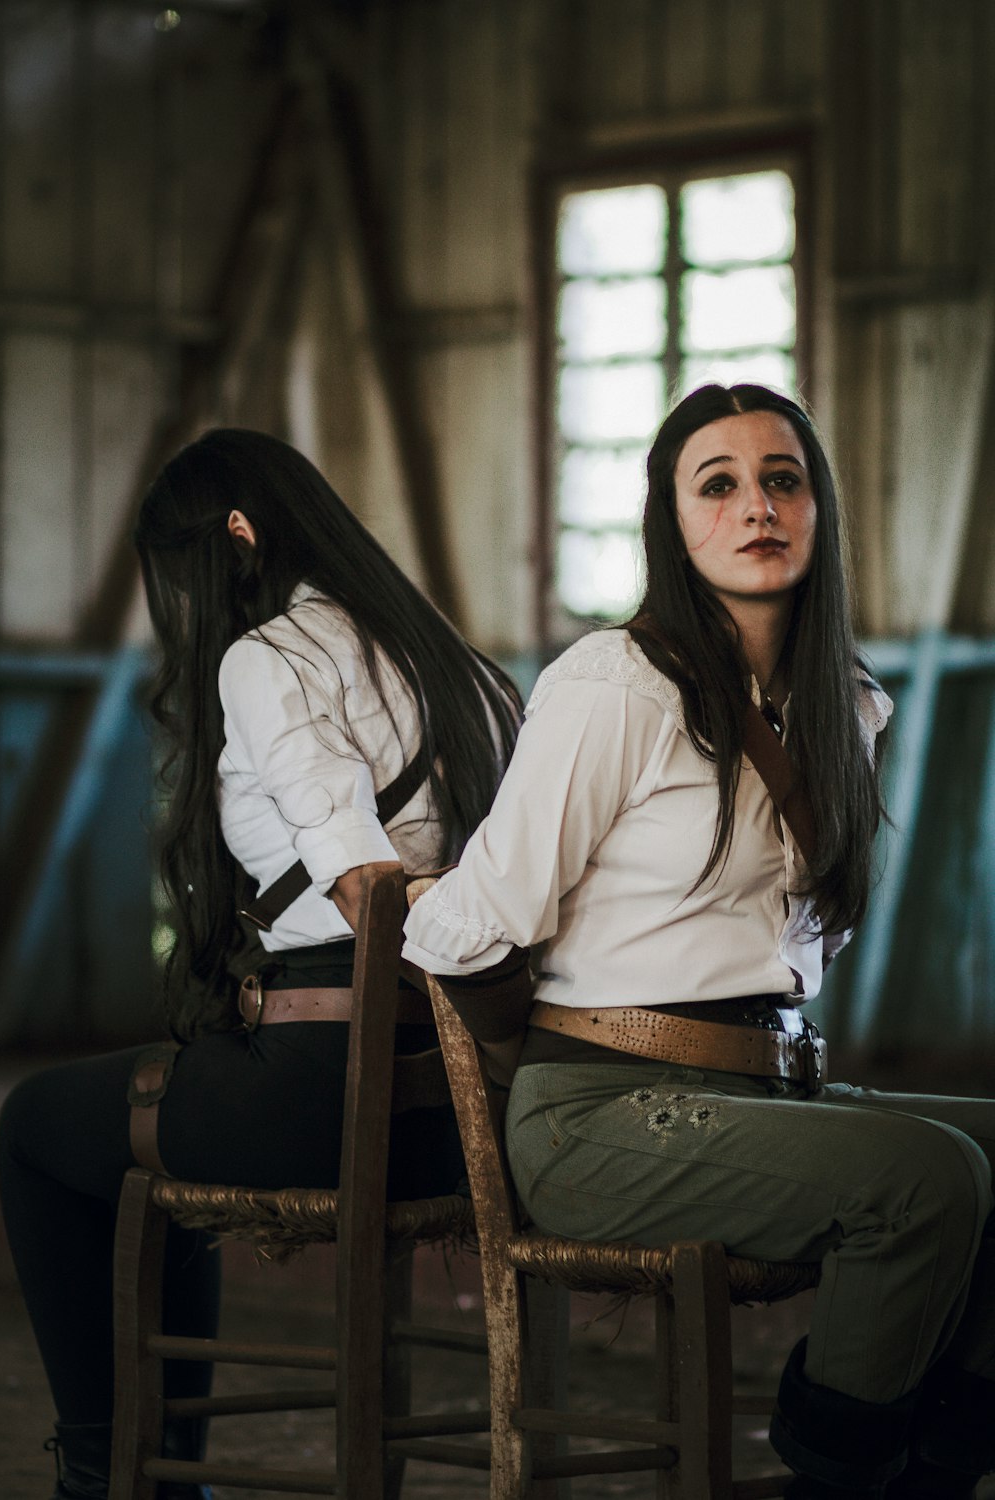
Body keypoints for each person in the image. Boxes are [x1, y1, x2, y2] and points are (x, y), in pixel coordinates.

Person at [403, 383, 995, 1500]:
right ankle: (836, 1474)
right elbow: (465, 924)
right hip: (598, 1113)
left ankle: (933, 1466)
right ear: (671, 524)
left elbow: (804, 940)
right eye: (715, 485)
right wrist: (525, 1064)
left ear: (818, 511)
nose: (755, 506)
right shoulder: (615, 683)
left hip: (768, 1091)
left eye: (782, 479)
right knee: (925, 1182)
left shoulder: (847, 705)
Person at [0, 427, 521, 1500]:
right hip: (481, 1118)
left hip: (337, 1100)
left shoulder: (269, 657)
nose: (185, 610)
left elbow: (364, 888)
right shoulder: (460, 667)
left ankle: (117, 1475)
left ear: (236, 535)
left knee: (40, 1129)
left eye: (182, 577)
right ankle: (149, 1470)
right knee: (151, 1124)